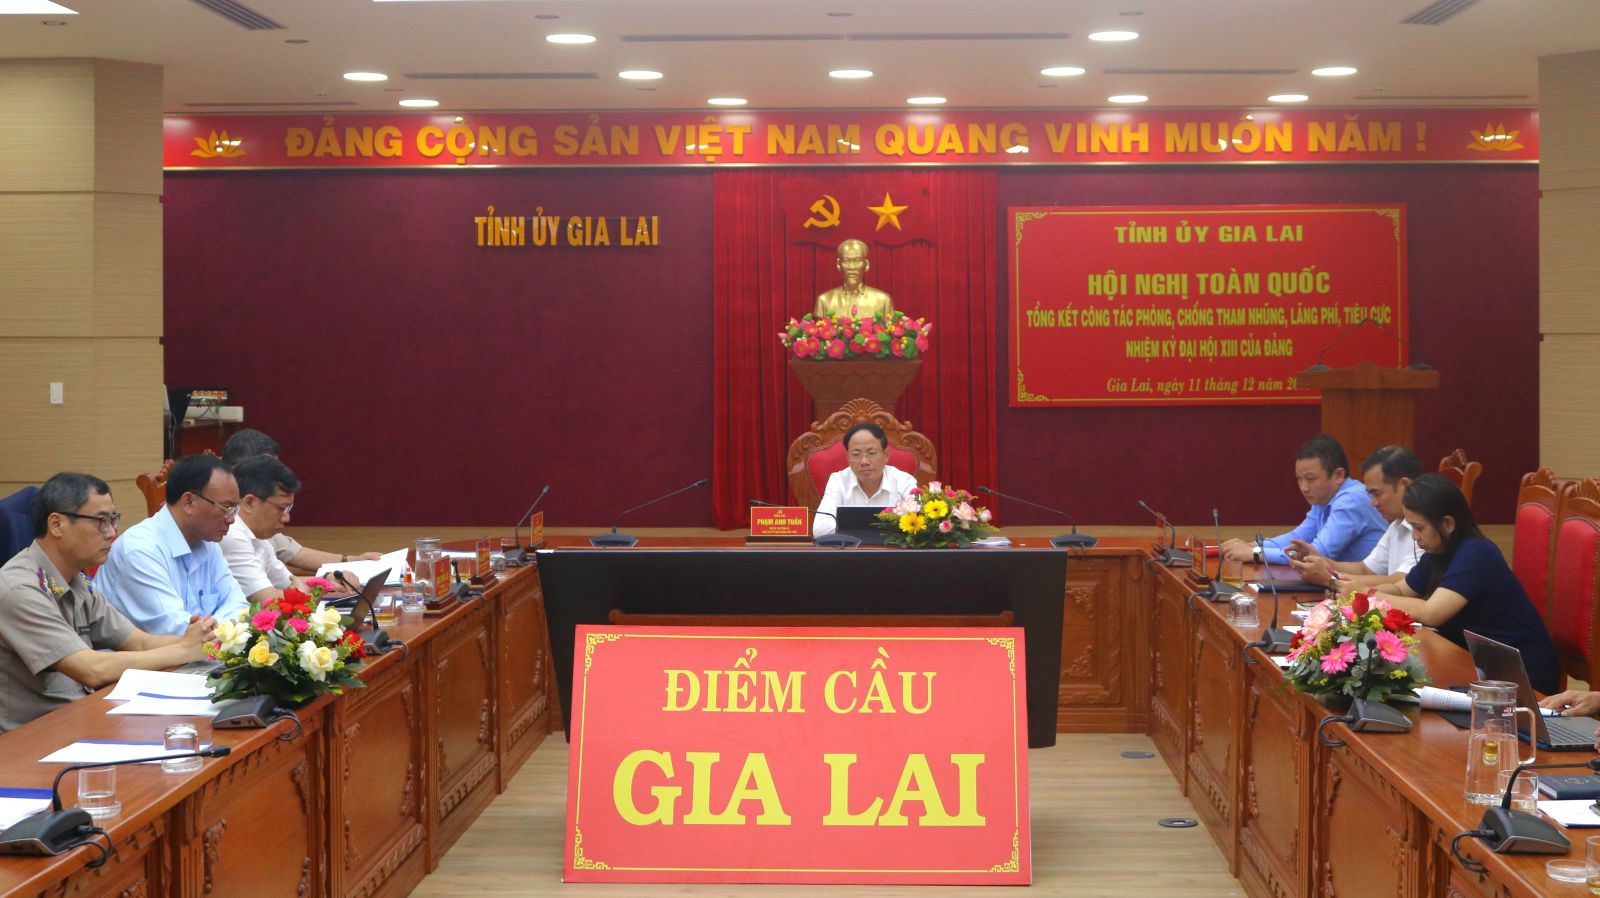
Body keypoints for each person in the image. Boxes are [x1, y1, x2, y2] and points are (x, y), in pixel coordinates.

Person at [0, 473, 215, 731]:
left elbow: (139, 642)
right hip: (32, 739)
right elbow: (92, 669)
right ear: (57, 525)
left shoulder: (78, 580)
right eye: (101, 522)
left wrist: (201, 639)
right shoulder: (19, 589)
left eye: (113, 520)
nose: (112, 533)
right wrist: (183, 650)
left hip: (82, 718)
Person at [1371, 473, 1559, 694]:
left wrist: (1372, 597)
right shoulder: (1438, 552)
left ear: (1448, 524)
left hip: (1520, 674)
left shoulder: (1476, 553)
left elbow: (1432, 613)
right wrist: (1362, 592)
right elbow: (1402, 589)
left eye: (1419, 528)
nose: (1414, 536)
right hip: (1477, 663)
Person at [97, 454, 249, 635]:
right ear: (188, 502)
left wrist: (216, 627)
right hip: (142, 653)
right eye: (226, 508)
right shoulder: (140, 550)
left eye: (235, 509)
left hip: (198, 651)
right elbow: (177, 632)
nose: (232, 519)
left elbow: (240, 606)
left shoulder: (208, 543)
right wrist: (225, 629)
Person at [222, 428, 381, 570]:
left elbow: (295, 555)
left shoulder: (262, 525)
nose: (286, 518)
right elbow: (268, 590)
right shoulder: (227, 526)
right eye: (268, 469)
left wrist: (354, 561)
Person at [1221, 434, 1386, 566]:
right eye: (1299, 479)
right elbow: (1299, 537)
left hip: (1367, 588)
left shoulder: (1352, 499)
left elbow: (1317, 553)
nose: (1304, 488)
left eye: (1310, 479)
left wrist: (1255, 553)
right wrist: (1253, 546)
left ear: (1338, 475)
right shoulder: (1324, 497)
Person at [1289, 445, 1423, 589]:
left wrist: (1331, 579)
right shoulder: (1396, 525)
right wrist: (1319, 560)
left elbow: (1401, 582)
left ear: (1405, 486)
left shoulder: (1426, 527)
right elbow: (1365, 569)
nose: (1373, 503)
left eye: (1377, 494)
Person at [221, 455, 314, 602]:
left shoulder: (260, 536)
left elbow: (289, 583)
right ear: (249, 503)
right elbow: (267, 600)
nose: (286, 518)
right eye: (281, 508)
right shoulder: (231, 533)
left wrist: (328, 582)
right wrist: (303, 593)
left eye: (289, 508)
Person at [813, 423, 919, 537]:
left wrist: (851, 527)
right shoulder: (838, 481)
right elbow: (820, 529)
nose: (864, 461)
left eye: (871, 453)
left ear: (886, 455)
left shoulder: (904, 481)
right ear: (847, 457)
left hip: (891, 548)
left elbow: (916, 525)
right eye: (856, 454)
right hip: (849, 549)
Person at [814, 239, 896, 319]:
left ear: (866, 265)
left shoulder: (883, 300)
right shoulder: (824, 301)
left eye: (857, 260)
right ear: (838, 264)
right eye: (846, 260)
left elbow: (890, 326)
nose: (851, 267)